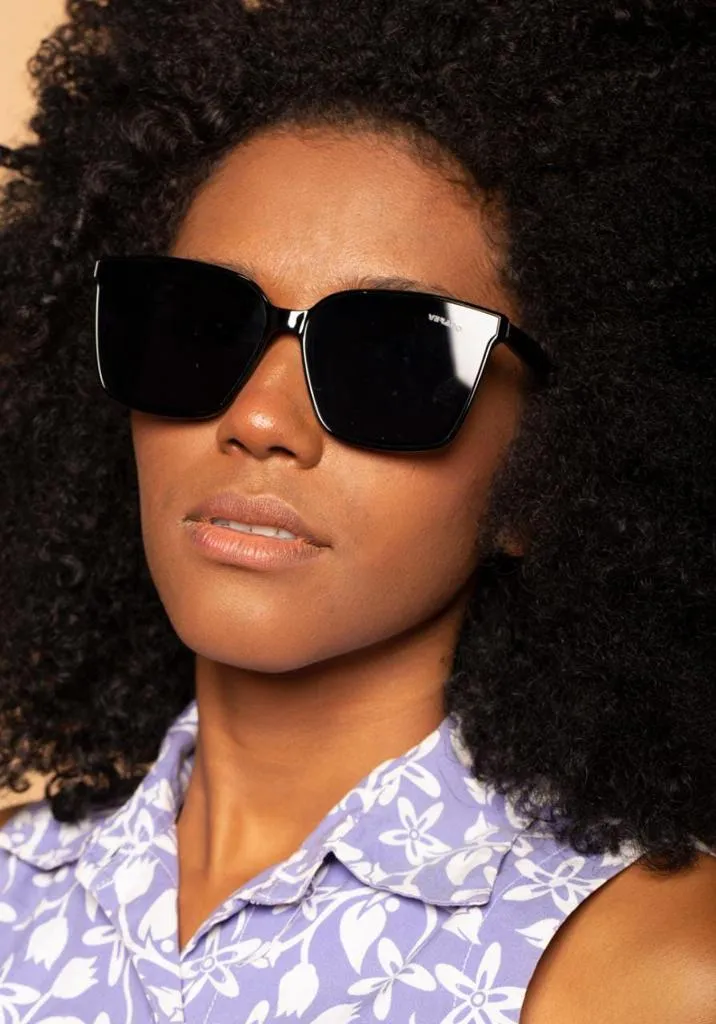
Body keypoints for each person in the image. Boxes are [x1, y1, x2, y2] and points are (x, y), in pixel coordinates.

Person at [0, 0, 713, 1020]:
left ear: (549, 472)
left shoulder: (652, 971)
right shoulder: (16, 892)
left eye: (391, 359)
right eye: (199, 327)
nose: (258, 418)